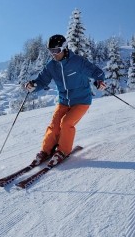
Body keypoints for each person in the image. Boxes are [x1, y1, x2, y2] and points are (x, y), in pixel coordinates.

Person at [24, 34, 106, 167]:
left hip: (81, 101)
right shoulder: (51, 66)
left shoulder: (77, 62)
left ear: (64, 48)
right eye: (50, 51)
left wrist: (99, 80)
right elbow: (42, 80)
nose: (53, 54)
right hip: (63, 101)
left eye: (56, 51)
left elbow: (97, 72)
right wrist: (33, 85)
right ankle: (46, 151)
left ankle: (62, 151)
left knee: (66, 123)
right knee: (54, 125)